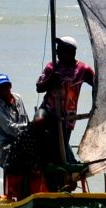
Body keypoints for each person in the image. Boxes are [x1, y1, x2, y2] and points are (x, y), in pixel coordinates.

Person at [35, 35, 97, 187]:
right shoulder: (51, 67)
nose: (57, 52)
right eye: (57, 50)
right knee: (38, 121)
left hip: (67, 116)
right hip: (48, 109)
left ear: (70, 52)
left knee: (60, 146)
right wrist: (51, 81)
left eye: (60, 50)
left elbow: (98, 85)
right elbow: (39, 87)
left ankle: (69, 174)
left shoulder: (83, 69)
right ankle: (44, 160)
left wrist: (96, 105)